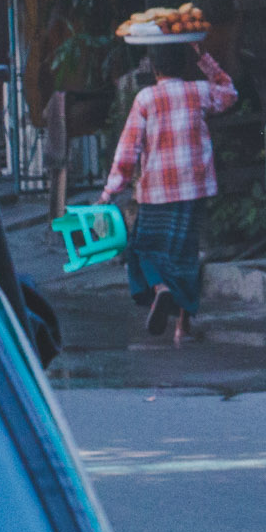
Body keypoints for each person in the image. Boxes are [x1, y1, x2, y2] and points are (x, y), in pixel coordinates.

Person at [98, 42, 238, 346]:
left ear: (155, 69)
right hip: (194, 189)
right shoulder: (199, 91)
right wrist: (205, 58)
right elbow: (230, 93)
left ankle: (160, 289)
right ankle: (183, 326)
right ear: (184, 65)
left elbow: (128, 150)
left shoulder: (146, 98)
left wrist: (110, 191)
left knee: (142, 251)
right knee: (185, 256)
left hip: (156, 191)